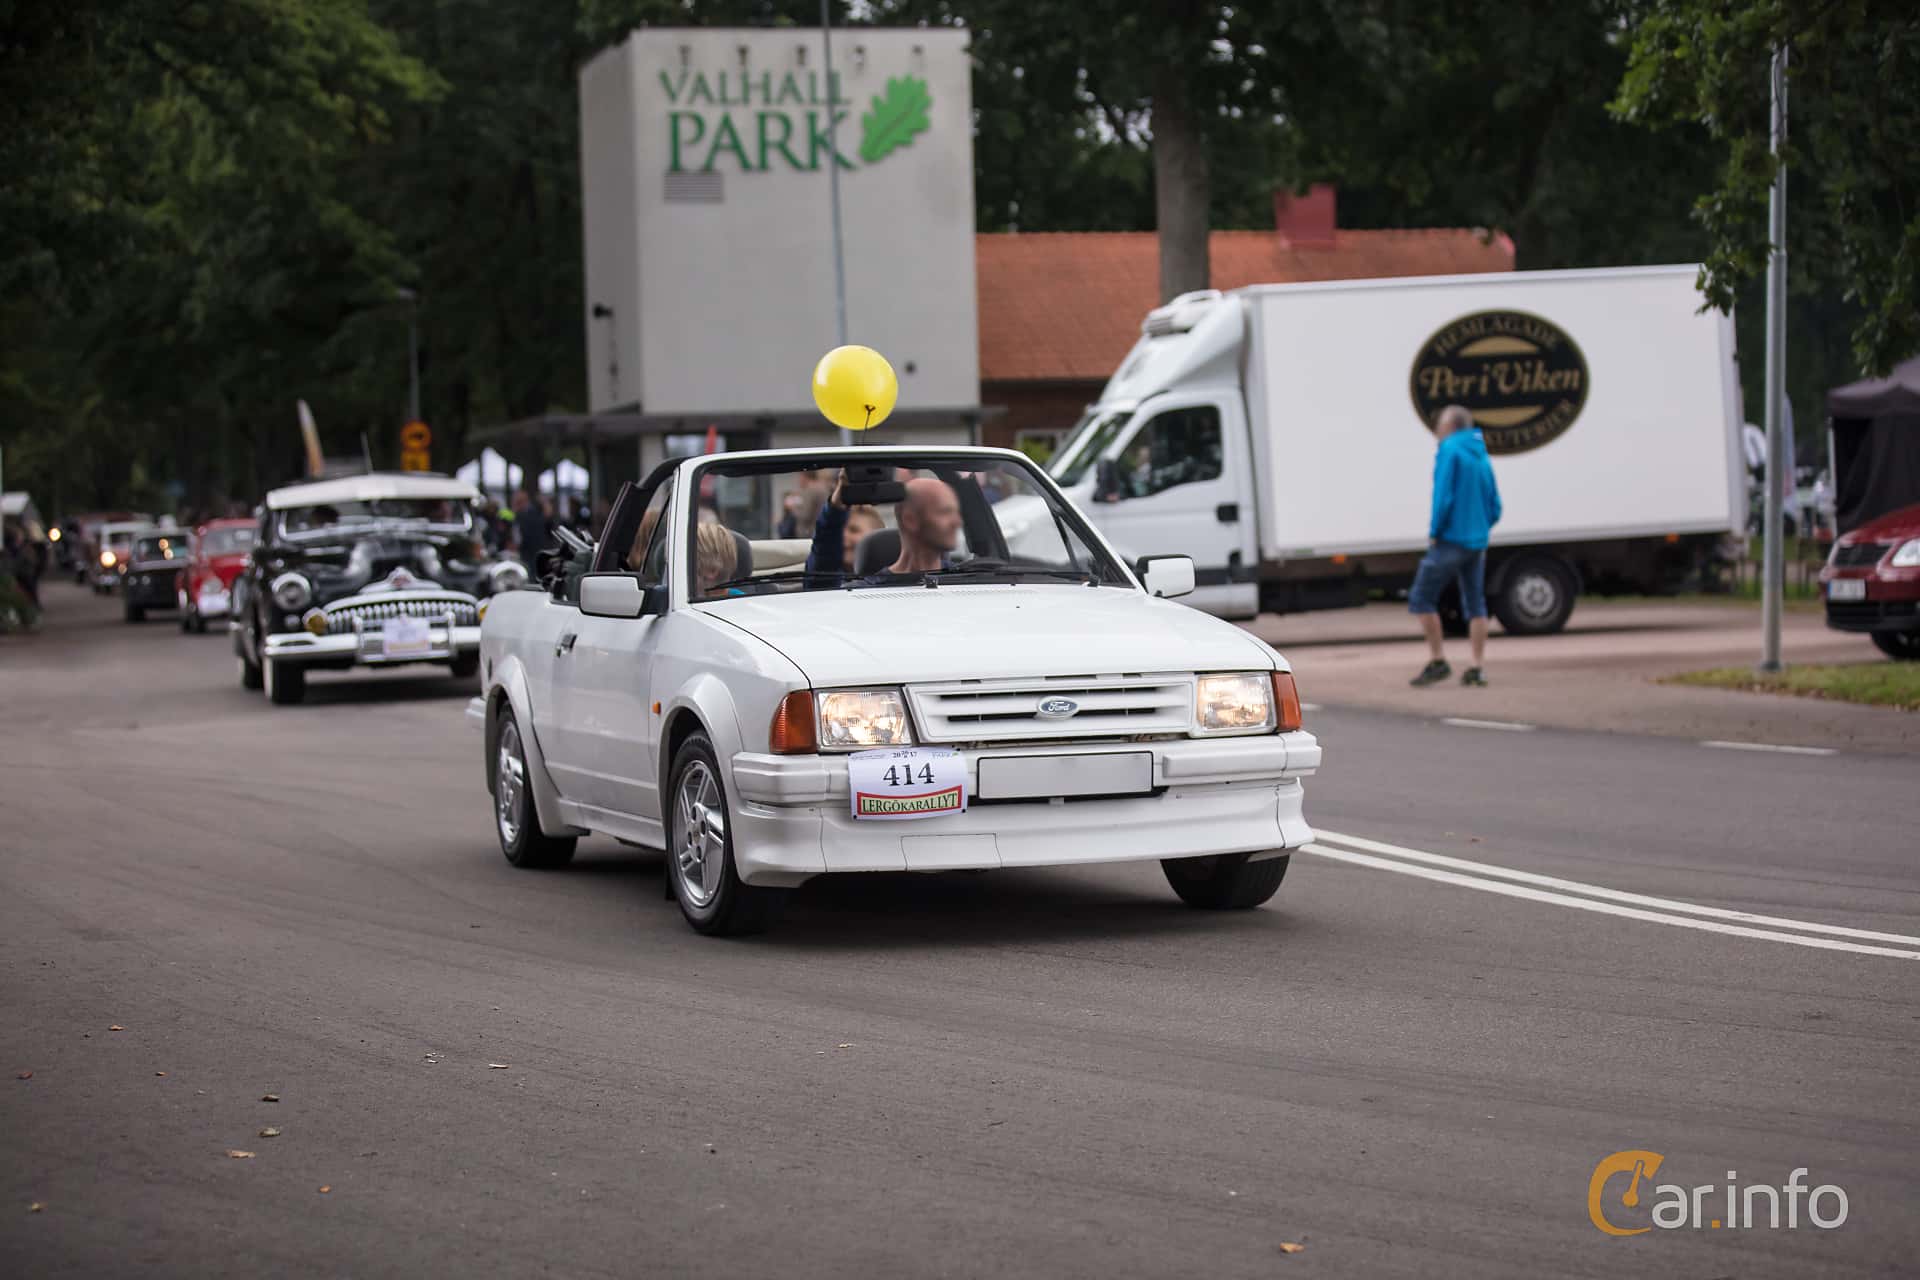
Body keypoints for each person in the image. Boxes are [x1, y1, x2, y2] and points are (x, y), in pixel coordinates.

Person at [1408, 404, 1502, 687]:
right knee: (1475, 604)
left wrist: (1436, 530)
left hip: (1450, 539)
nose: (1436, 430)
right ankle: (1476, 666)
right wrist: (1480, 529)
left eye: (1439, 425)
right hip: (1476, 542)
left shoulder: (1449, 451)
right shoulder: (1480, 455)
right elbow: (1495, 506)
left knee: (1421, 598)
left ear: (1450, 426)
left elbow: (1443, 495)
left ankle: (1438, 660)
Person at [806, 470, 959, 583]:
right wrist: (836, 506)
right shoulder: (856, 593)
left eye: (853, 530)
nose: (957, 522)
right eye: (944, 512)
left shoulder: (966, 578)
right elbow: (823, 562)